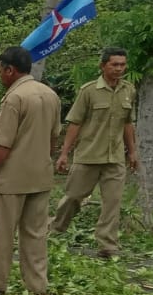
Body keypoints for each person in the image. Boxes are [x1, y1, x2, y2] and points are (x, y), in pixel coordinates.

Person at [0, 45, 62, 295]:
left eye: (0, 71)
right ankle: (37, 284)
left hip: (13, 177)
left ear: (10, 70)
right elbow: (54, 140)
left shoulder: (14, 98)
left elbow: (3, 144)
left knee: (2, 231)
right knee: (35, 233)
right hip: (41, 175)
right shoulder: (50, 95)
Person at [51, 47, 139, 259]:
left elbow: (128, 123)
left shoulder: (128, 90)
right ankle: (53, 230)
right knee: (73, 197)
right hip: (88, 156)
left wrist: (133, 152)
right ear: (103, 66)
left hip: (114, 158)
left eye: (122, 65)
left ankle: (108, 246)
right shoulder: (89, 91)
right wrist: (64, 154)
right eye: (114, 64)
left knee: (112, 202)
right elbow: (75, 123)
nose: (119, 69)